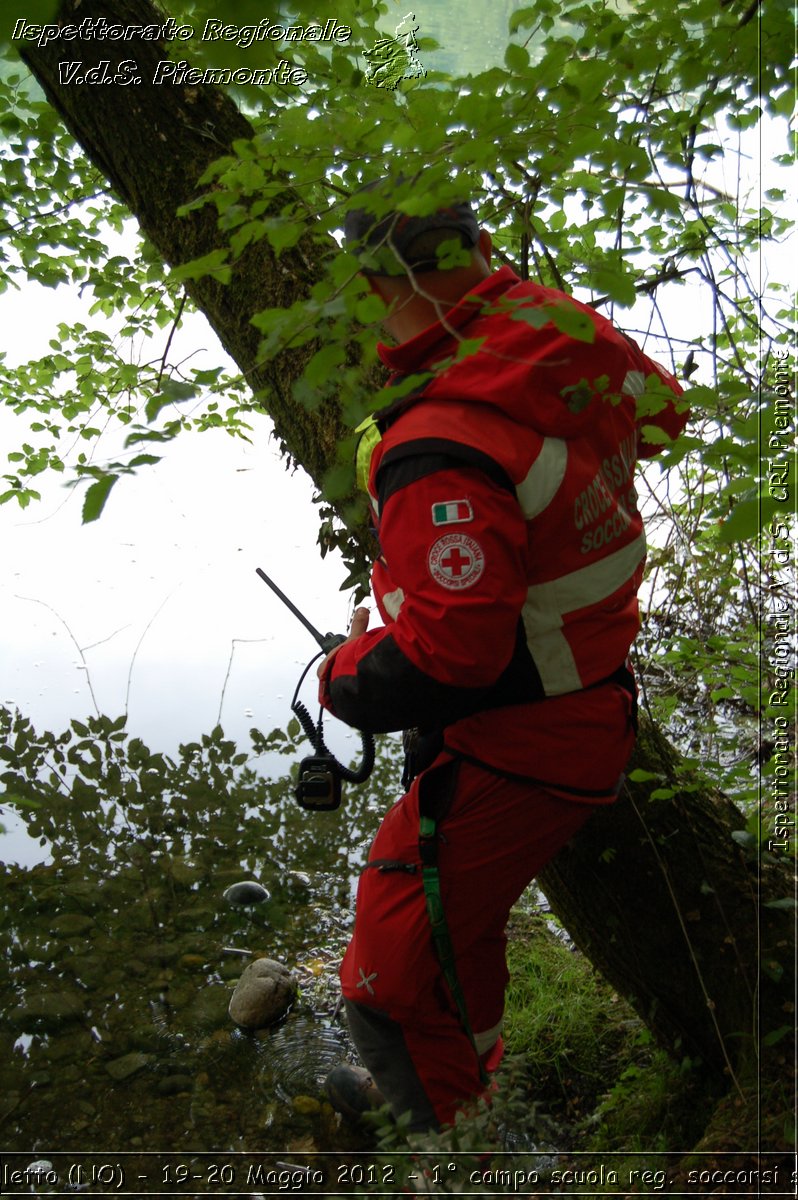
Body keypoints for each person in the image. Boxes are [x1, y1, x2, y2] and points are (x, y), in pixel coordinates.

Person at [316, 187, 687, 1133]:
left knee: (386, 981)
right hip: (579, 700)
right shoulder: (556, 338)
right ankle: (474, 1087)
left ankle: (452, 1160)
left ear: (371, 286)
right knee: (455, 932)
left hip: (520, 741)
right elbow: (659, 415)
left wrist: (345, 679)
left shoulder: (441, 444)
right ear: (474, 250)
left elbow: (454, 660)